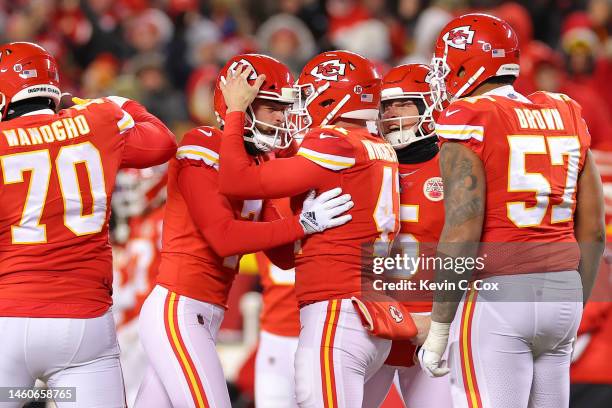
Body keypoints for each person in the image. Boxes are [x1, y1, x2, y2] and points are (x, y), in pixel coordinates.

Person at [134, 53, 353, 408]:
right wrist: (304, 223)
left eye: (283, 108)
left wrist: (312, 217)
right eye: (272, 107)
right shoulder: (202, 143)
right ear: (242, 104)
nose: (282, 117)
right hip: (179, 307)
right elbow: (223, 237)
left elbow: (282, 258)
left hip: (204, 311)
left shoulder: (257, 162)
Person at [417, 13, 606, 408]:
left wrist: (438, 327)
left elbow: (462, 231)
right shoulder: (566, 111)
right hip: (563, 290)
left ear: (467, 63)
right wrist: (574, 304)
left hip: (499, 293)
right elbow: (593, 231)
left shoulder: (469, 117)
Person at [218, 50, 421, 407]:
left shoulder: (337, 143)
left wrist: (236, 113)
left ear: (332, 95)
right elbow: (285, 258)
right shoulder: (378, 147)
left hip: (337, 316)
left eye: (309, 95)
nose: (300, 108)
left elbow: (236, 179)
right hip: (371, 315)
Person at [0, 41, 177, 407]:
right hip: (84, 327)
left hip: (8, 320)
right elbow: (161, 143)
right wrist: (119, 103)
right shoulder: (95, 123)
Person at [362, 63, 452, 408]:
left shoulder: (454, 163)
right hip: (377, 318)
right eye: (385, 107)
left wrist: (444, 319)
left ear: (429, 105)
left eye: (403, 104)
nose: (391, 114)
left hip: (435, 322)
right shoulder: (365, 161)